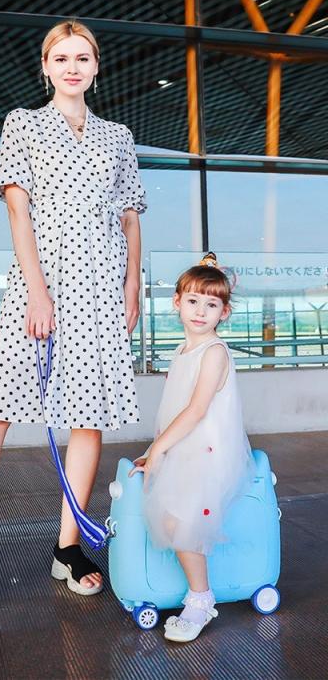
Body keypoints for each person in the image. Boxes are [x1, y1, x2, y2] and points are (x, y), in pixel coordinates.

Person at [0, 18, 147, 620]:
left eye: (82, 57)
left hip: (102, 286)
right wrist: (38, 293)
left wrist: (132, 284)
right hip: (39, 285)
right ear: (45, 67)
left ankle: (68, 548)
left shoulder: (118, 137)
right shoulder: (22, 124)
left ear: (96, 66)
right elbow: (19, 215)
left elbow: (129, 217)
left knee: (88, 417)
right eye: (61, 58)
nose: (72, 67)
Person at [130, 253, 255, 642]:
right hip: (185, 448)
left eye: (212, 304)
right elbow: (173, 411)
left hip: (209, 453)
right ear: (177, 303)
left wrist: (159, 450)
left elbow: (197, 410)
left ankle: (201, 599)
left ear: (224, 312)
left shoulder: (214, 352)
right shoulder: (182, 351)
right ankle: (194, 592)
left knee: (181, 523)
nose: (201, 311)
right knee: (168, 517)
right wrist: (157, 447)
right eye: (193, 301)